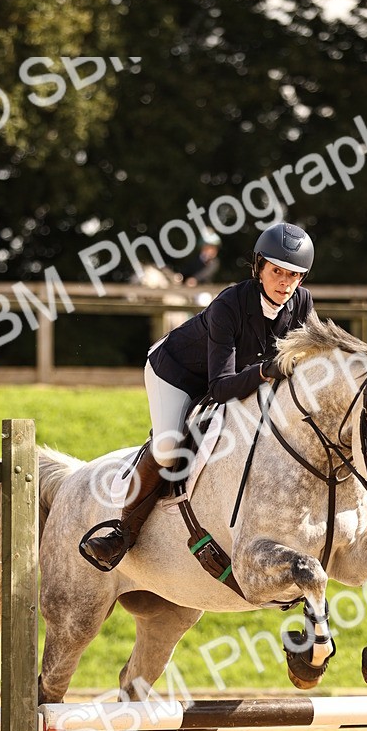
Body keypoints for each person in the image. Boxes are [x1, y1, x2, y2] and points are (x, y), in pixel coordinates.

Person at [80, 221, 316, 571]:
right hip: (176, 372)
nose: (285, 283)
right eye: (277, 271)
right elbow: (219, 387)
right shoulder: (230, 304)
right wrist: (267, 371)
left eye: (294, 275)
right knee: (169, 445)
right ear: (259, 268)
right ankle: (122, 533)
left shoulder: (301, 304)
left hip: (236, 377)